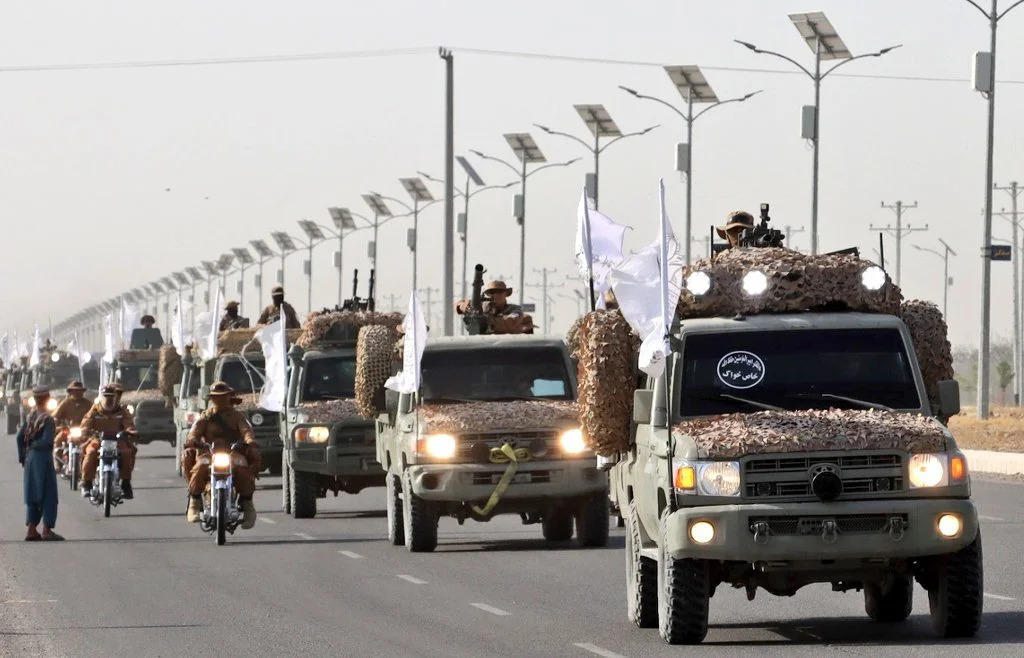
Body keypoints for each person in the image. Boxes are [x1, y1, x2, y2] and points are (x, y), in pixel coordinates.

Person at [182, 381, 261, 527]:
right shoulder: (205, 416)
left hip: (232, 453)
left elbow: (246, 431)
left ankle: (247, 504)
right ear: (211, 398)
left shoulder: (237, 417)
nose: (219, 399)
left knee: (242, 468)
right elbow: (195, 432)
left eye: (223, 396)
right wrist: (193, 440)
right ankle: (194, 501)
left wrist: (249, 441)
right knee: (200, 467)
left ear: (229, 397)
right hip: (209, 453)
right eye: (216, 397)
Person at [16, 386, 62, 541]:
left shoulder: (30, 417)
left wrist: (23, 456)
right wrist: (36, 446)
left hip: (30, 458)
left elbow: (19, 437)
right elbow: (47, 440)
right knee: (48, 492)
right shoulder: (47, 419)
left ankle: (31, 529)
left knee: (32, 492)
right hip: (43, 457)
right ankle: (47, 529)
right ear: (48, 399)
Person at [80, 384, 138, 499]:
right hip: (98, 440)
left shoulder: (122, 411)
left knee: (126, 453)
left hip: (117, 440)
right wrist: (86, 430)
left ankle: (126, 483)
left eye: (111, 396)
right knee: (91, 452)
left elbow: (129, 425)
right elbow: (86, 422)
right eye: (106, 396)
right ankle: (87, 483)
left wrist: (129, 431)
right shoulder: (95, 410)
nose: (108, 399)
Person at [52, 380, 92, 469]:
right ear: (71, 391)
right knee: (58, 439)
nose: (77, 392)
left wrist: (89, 426)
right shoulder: (65, 403)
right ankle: (57, 462)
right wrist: (57, 423)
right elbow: (55, 416)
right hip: (68, 430)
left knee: (91, 444)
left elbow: (94, 416)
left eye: (80, 390)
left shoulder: (88, 404)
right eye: (75, 390)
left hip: (83, 431)